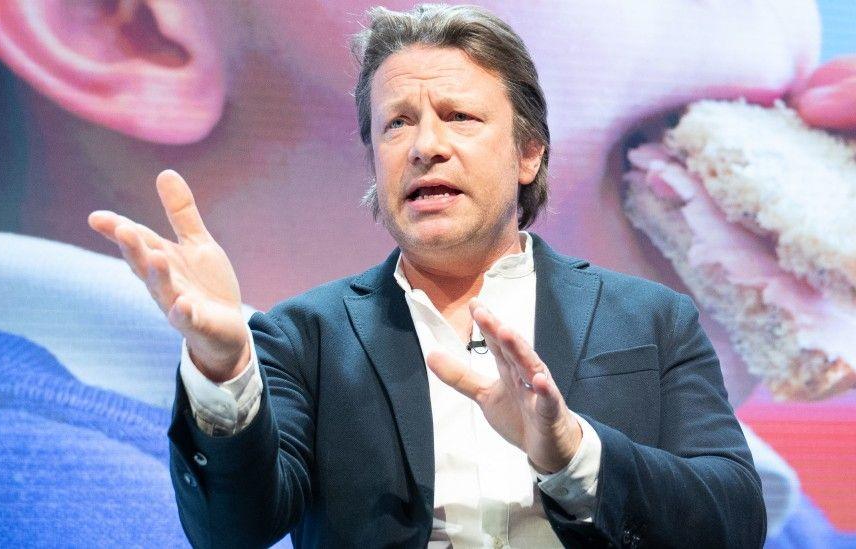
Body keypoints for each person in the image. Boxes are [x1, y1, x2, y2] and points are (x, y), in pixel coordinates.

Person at [90, 5, 765, 547]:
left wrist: (572, 452)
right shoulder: (305, 336)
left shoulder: (651, 318)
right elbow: (231, 531)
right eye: (396, 124)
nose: (425, 145)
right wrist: (222, 367)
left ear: (529, 152)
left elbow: (733, 522)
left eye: (460, 117)